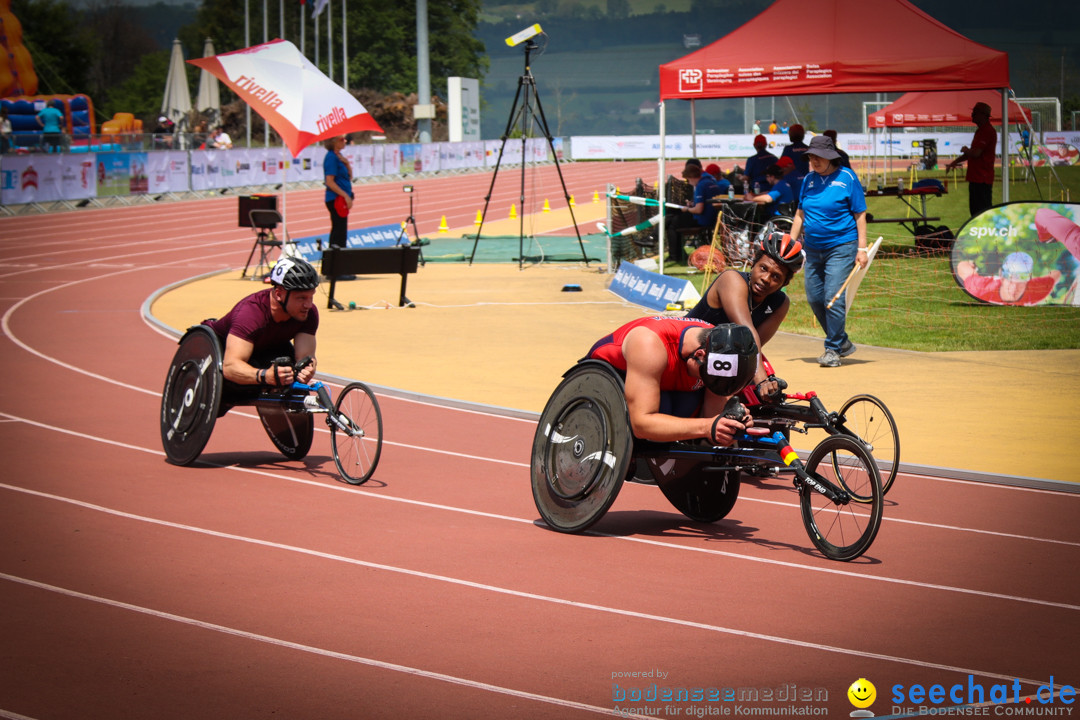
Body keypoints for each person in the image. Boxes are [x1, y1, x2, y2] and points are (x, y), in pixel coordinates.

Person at [586, 318, 758, 446]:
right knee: (666, 405)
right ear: (699, 356)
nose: (707, 382)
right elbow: (641, 424)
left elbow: (712, 419)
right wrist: (707, 426)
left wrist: (729, 425)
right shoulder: (649, 344)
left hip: (665, 385)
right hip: (605, 383)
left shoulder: (720, 349)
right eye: (708, 379)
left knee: (687, 403)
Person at [685, 231, 804, 401]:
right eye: (763, 268)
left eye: (776, 277)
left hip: (720, 364)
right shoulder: (731, 280)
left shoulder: (780, 303)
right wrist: (762, 381)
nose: (765, 279)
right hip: (688, 357)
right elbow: (748, 335)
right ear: (753, 264)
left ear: (784, 283)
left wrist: (766, 383)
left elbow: (753, 348)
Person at [788, 135, 868, 368]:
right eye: (811, 157)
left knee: (832, 298)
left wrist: (861, 248)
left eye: (818, 157)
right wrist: (791, 244)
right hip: (813, 249)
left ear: (830, 157)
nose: (814, 161)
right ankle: (841, 342)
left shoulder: (847, 178)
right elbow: (800, 214)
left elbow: (860, 214)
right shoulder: (809, 180)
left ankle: (832, 349)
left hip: (841, 246)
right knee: (814, 298)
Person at [203, 257, 320, 408]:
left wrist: (308, 368)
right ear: (279, 294)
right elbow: (230, 367)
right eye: (301, 298)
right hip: (223, 352)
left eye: (311, 296)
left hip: (267, 347)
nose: (308, 304)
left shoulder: (309, 313)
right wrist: (265, 376)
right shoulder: (250, 314)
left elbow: (305, 357)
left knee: (292, 374)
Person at [944, 102, 997, 217]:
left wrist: (965, 149)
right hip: (976, 178)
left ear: (983, 115)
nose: (972, 115)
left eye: (975, 112)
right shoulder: (980, 131)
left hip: (982, 179)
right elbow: (973, 153)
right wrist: (954, 162)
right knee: (975, 212)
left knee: (981, 213)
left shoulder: (987, 131)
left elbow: (976, 153)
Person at [665, 163, 721, 264]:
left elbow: (698, 210)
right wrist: (692, 204)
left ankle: (674, 255)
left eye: (688, 180)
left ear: (691, 177)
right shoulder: (711, 180)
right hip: (713, 217)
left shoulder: (700, 185)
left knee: (672, 223)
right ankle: (655, 237)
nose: (689, 183)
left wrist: (687, 209)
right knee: (672, 218)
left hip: (702, 219)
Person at [956, 252, 1060, 306]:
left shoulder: (1037, 289)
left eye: (1020, 282)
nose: (1014, 287)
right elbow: (962, 267)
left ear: (1028, 281)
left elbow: (1056, 274)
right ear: (1001, 276)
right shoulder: (981, 288)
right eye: (1010, 281)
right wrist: (970, 264)